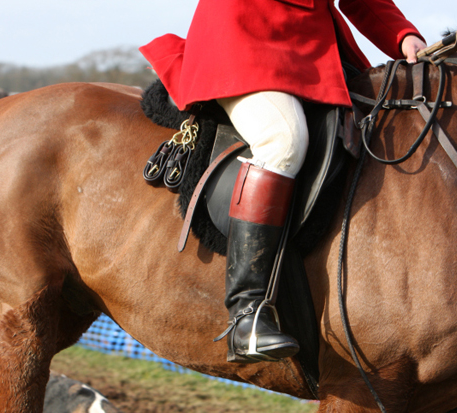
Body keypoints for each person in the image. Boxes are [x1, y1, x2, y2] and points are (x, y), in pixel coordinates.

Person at [140, 0, 426, 363]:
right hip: (243, 37)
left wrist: (402, 36)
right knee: (282, 141)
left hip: (311, 45)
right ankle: (246, 315)